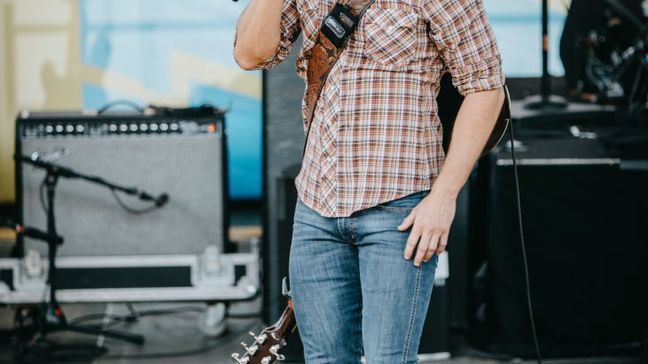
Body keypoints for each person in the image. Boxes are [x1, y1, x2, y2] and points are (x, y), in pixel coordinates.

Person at [233, 0, 505, 362]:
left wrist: (444, 197)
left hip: (401, 206)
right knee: (325, 359)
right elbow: (252, 56)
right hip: (317, 205)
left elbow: (485, 86)